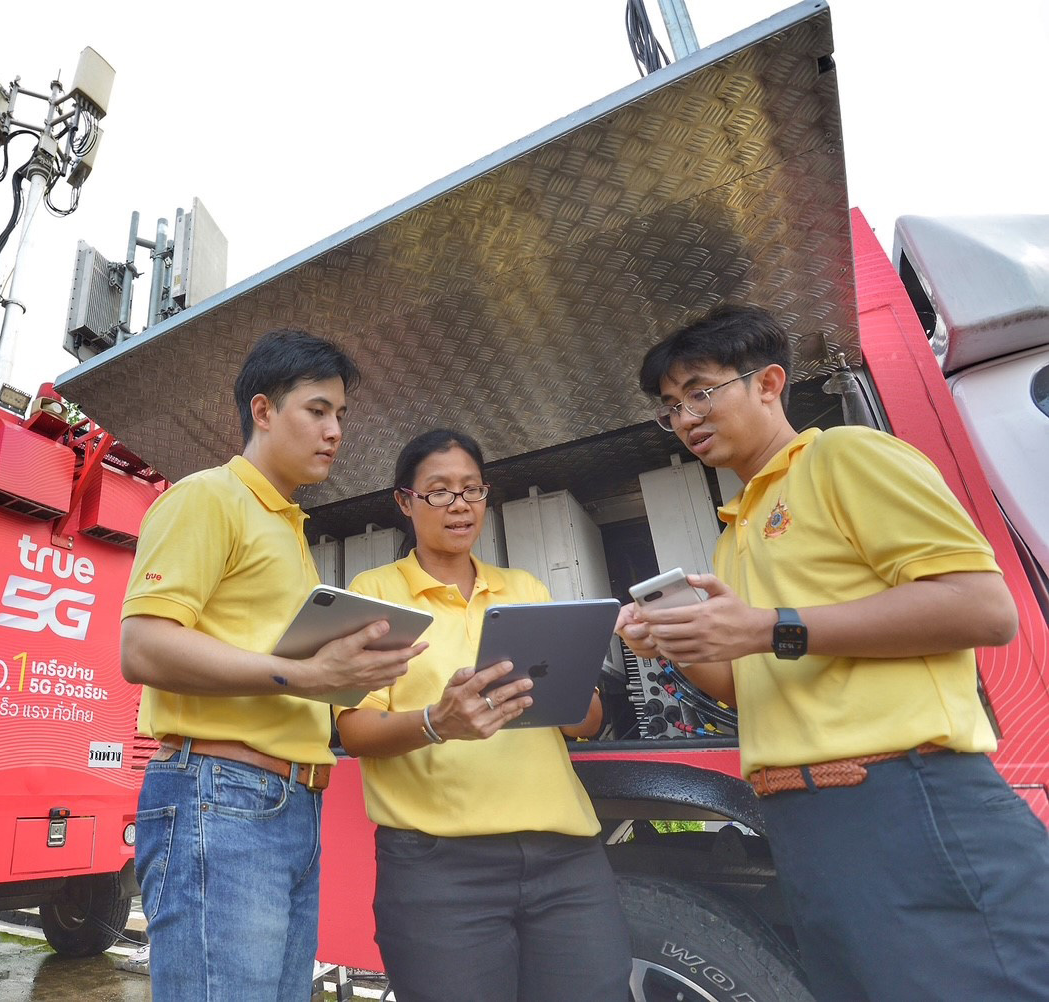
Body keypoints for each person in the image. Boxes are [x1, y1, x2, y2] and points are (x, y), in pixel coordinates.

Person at [619, 304, 1049, 1001]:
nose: (686, 417)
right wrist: (672, 645)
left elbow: (982, 608)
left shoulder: (844, 456)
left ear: (768, 383)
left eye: (700, 391)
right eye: (670, 407)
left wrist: (769, 628)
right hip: (802, 822)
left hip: (904, 799)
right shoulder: (734, 533)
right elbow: (743, 686)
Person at [121, 328, 425, 1001]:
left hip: (290, 805)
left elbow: (282, 668)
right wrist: (306, 675)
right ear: (263, 410)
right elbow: (142, 646)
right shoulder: (208, 497)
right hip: (220, 795)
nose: (335, 431)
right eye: (317, 410)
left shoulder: (289, 529)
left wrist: (350, 672)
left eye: (340, 414)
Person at [335, 428, 631, 1002]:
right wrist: (436, 723)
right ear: (405, 502)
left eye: (472, 489)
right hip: (439, 869)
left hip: (565, 858)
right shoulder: (375, 594)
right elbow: (355, 730)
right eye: (439, 491)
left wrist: (564, 685)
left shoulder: (525, 589)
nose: (460, 505)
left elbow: (586, 722)